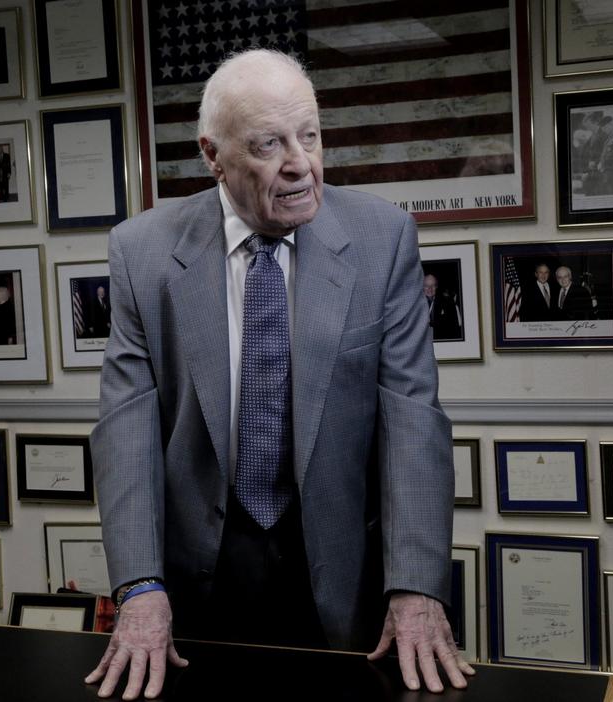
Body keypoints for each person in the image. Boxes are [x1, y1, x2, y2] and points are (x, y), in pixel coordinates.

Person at [86, 49, 468, 700]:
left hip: (344, 574)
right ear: (214, 155)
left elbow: (413, 420)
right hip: (201, 577)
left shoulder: (383, 240)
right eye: (270, 144)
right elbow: (126, 435)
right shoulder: (141, 253)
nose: (301, 163)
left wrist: (415, 585)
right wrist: (140, 587)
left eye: (311, 135)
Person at [422, 273, 461, 340]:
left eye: (433, 286)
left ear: (436, 286)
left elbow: (453, 328)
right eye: (426, 286)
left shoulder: (448, 303)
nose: (430, 289)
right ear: (422, 286)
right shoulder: (413, 305)